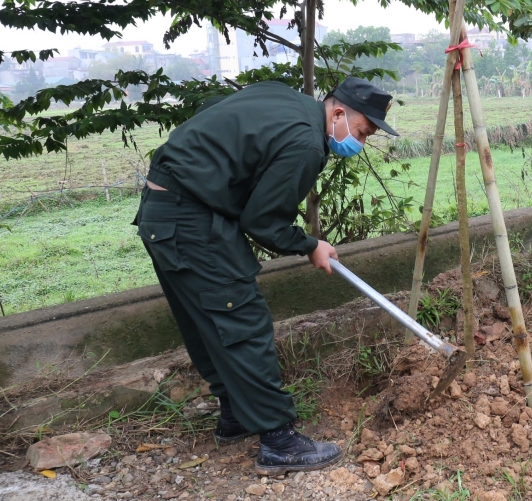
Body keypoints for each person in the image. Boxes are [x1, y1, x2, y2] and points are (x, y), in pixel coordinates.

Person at [134, 77, 397, 475]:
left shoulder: (280, 98)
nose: (359, 143)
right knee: (242, 321)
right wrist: (309, 245)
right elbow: (263, 220)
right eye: (361, 132)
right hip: (191, 219)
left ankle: (236, 415)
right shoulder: (307, 142)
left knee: (207, 321)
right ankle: (279, 441)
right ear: (339, 113)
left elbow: (215, 116)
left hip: (163, 213)